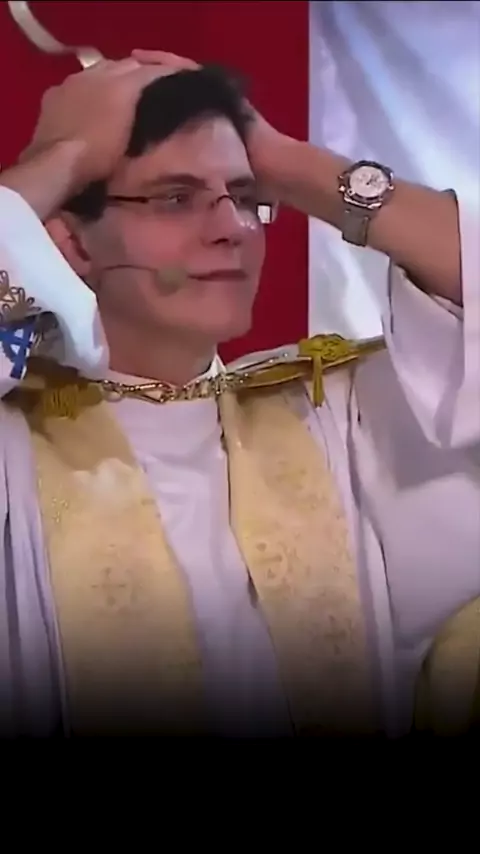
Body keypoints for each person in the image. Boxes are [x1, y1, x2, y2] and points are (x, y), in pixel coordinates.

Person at [0, 51, 478, 739]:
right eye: (175, 198)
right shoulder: (16, 447)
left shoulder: (334, 417)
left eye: (247, 196)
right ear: (72, 244)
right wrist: (65, 158)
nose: (234, 228)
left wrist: (285, 160)